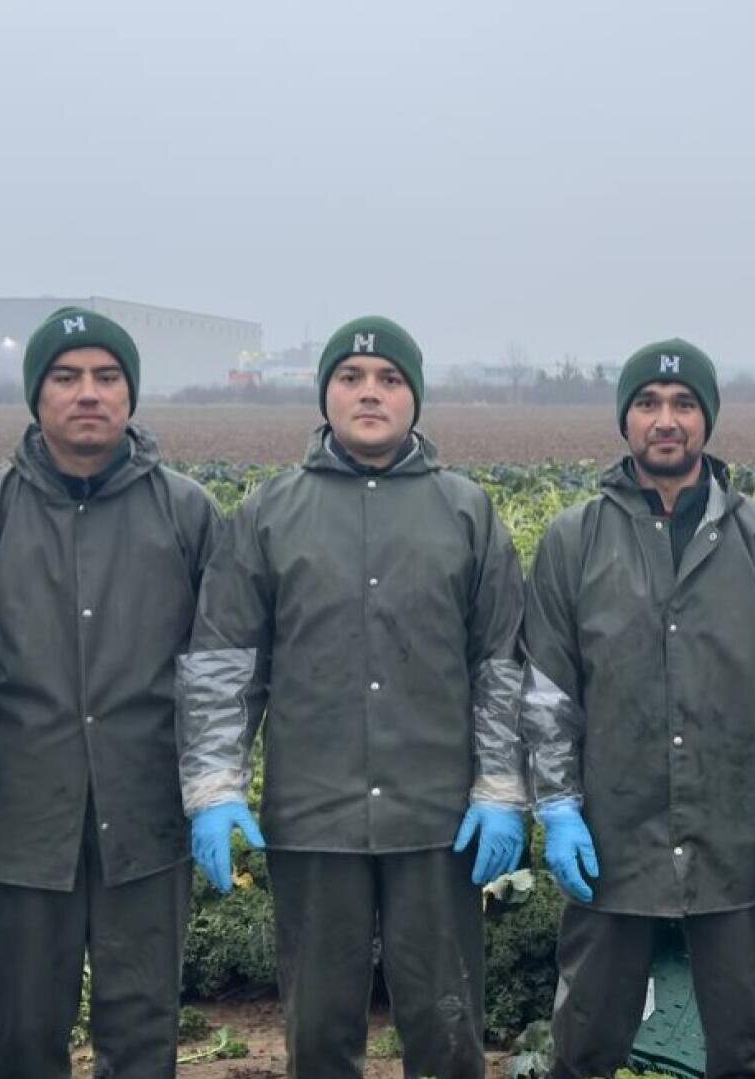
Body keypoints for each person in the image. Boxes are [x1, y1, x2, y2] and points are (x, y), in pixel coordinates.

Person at [176, 316, 526, 1078]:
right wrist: (214, 786)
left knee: (446, 1023)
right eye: (351, 378)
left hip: (436, 822)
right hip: (312, 819)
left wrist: (500, 788)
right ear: (326, 393)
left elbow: (499, 664)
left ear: (415, 398)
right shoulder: (269, 512)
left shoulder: (467, 512)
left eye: (390, 380)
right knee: (319, 1030)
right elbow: (223, 666)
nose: (370, 393)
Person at [520, 339, 755, 1079]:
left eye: (684, 404)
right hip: (610, 837)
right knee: (586, 1037)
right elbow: (547, 692)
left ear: (707, 419)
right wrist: (559, 806)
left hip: (734, 836)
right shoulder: (575, 540)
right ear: (625, 419)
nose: (667, 420)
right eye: (649, 404)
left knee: (753, 1042)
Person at [0, 307, 224, 1076]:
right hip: (16, 821)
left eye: (107, 377)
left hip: (145, 817)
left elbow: (219, 663)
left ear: (130, 395)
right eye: (66, 377)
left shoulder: (186, 513)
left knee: (142, 1037)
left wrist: (214, 788)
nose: (88, 394)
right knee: (15, 1037)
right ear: (36, 396)